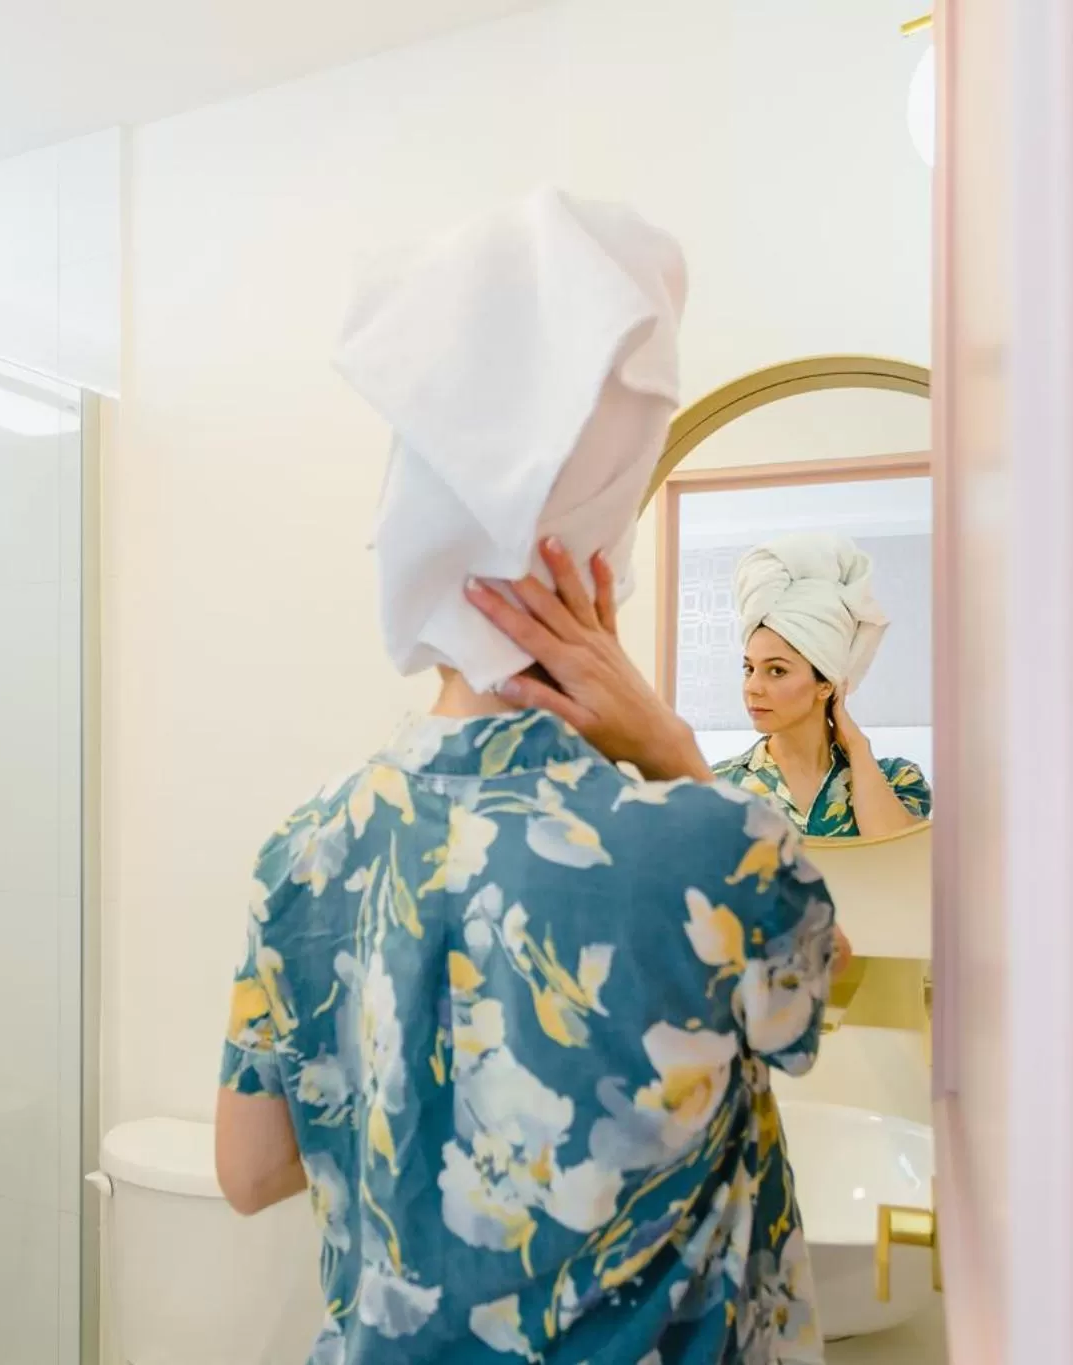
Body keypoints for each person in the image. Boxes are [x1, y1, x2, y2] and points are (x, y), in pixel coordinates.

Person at [213, 189, 838, 1365]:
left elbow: (245, 1174)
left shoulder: (302, 850)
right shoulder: (714, 843)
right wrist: (668, 746)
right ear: (598, 567)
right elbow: (811, 1000)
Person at [711, 534, 931, 838]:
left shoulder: (898, 780)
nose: (753, 687)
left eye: (776, 670)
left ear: (826, 684)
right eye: (749, 668)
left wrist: (857, 747)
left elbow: (896, 857)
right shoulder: (719, 789)